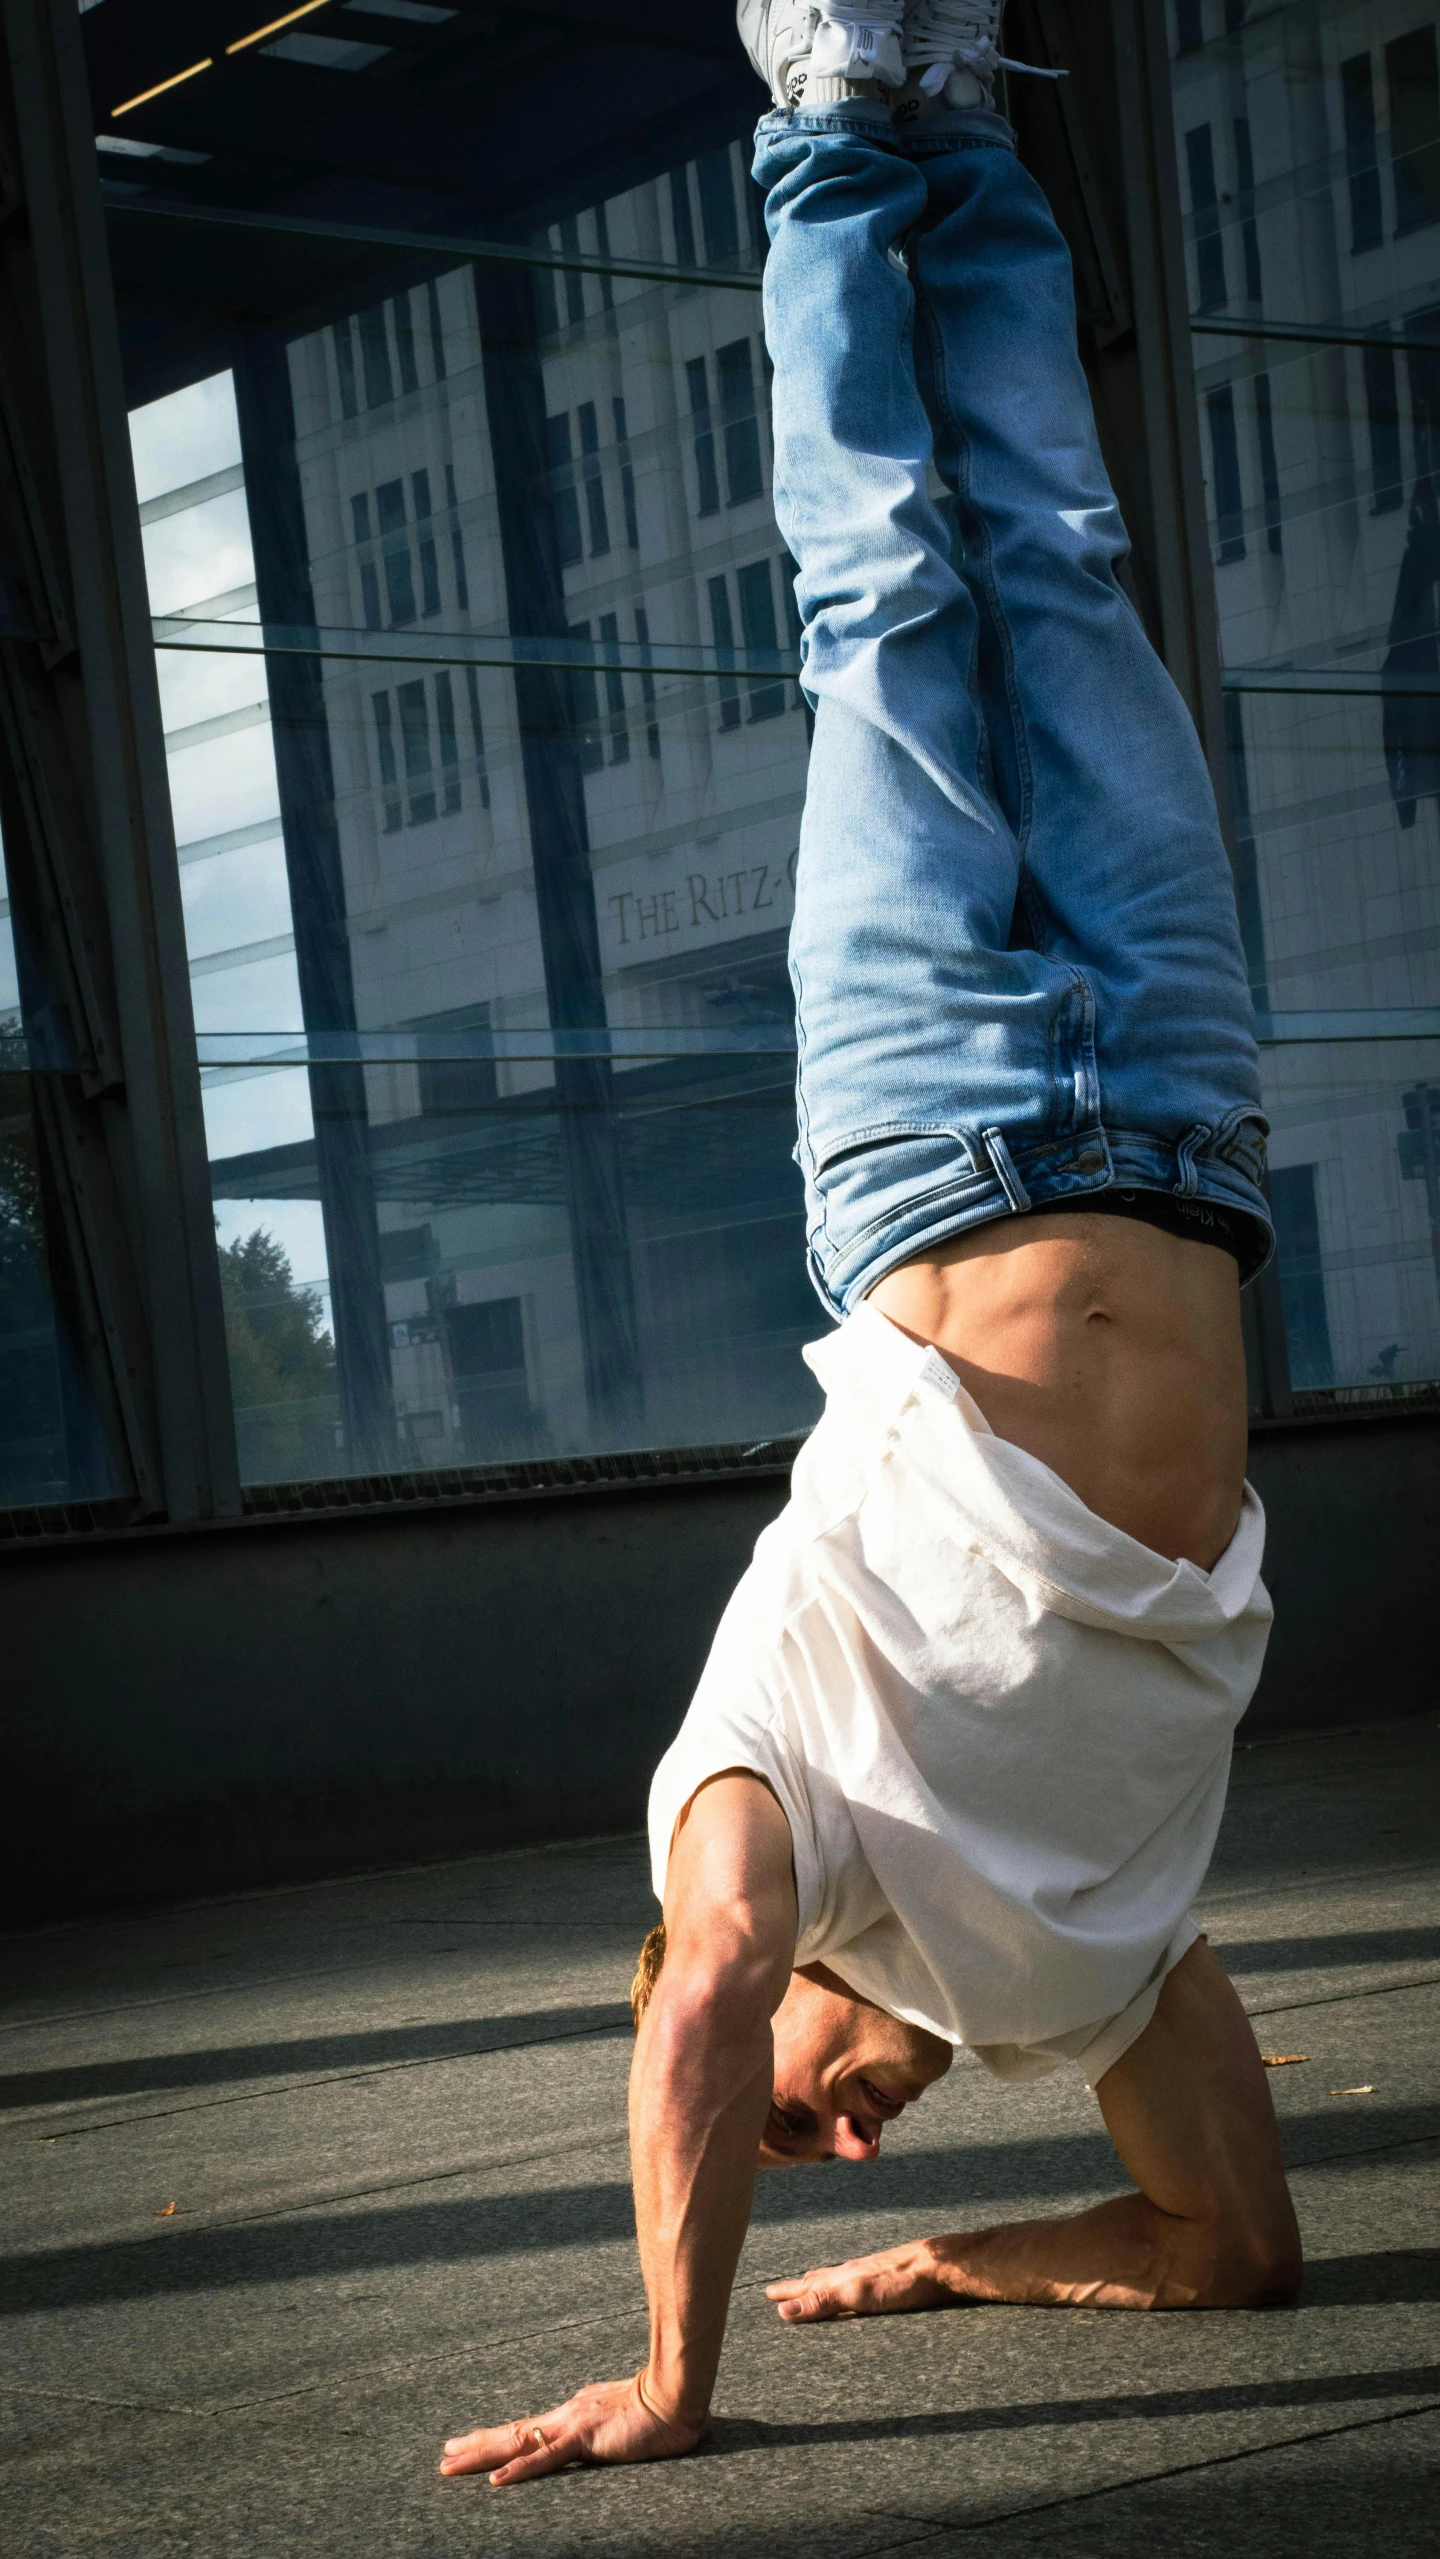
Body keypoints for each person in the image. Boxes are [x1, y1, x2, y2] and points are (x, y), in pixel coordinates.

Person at [439, 0, 1301, 2490]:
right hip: (1184, 1122)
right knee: (1061, 558)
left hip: (928, 1147)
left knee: (889, 601)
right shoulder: (1096, 1972)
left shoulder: (752, 1821)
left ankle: (822, 110)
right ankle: (950, 96)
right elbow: (1239, 2249)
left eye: (817, 2121)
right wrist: (947, 2262)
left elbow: (702, 1990)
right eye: (849, 2155)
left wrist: (684, 2373)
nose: (846, 2132)